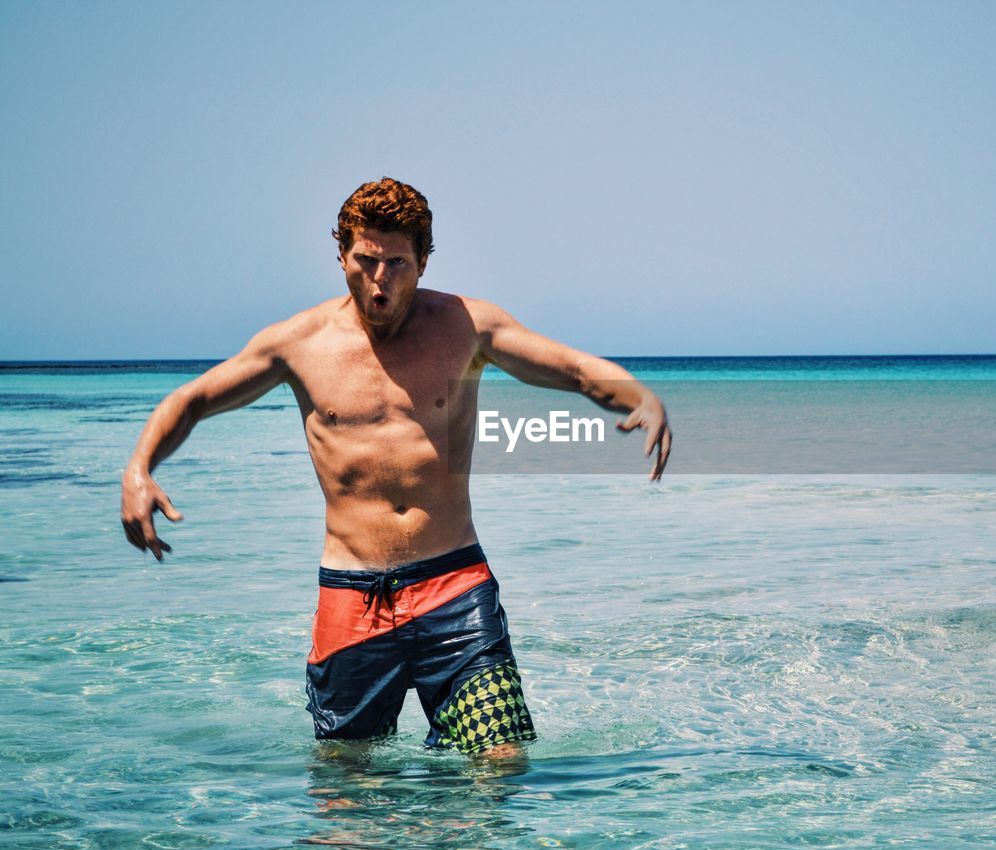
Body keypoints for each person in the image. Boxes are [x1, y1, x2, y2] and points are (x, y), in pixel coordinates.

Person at [120, 178, 672, 760]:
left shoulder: (467, 327)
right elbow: (195, 399)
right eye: (366, 261)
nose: (380, 280)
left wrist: (640, 397)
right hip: (351, 599)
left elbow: (574, 368)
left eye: (398, 264)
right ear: (341, 255)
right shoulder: (298, 343)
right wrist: (140, 467)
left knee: (500, 762)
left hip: (454, 588)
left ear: (424, 261)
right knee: (347, 791)